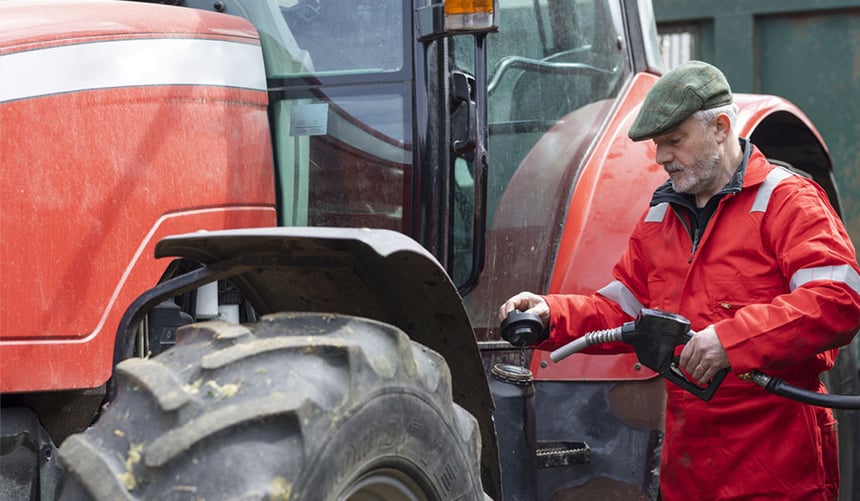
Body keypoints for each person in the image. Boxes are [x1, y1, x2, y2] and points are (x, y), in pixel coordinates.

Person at [499, 60, 860, 500]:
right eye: (657, 144)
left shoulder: (787, 201)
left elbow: (837, 300)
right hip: (688, 470)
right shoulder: (660, 217)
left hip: (776, 465)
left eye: (674, 140)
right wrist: (551, 312)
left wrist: (731, 341)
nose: (660, 157)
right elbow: (622, 310)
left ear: (721, 127)